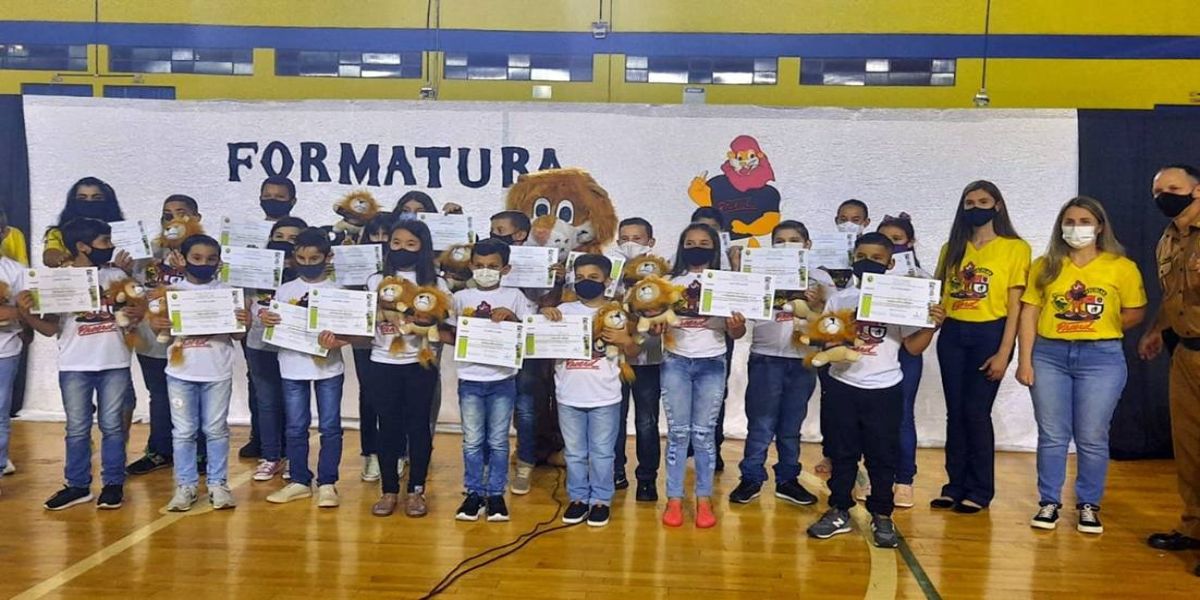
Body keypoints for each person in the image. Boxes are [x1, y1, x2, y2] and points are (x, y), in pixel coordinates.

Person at [1015, 197, 1145, 534]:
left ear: (1100, 226)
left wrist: (1097, 327)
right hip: (1049, 355)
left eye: (1085, 221)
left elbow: (1134, 312)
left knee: (1091, 435)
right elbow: (1029, 312)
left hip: (1101, 358)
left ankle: (1088, 503)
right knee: (1053, 434)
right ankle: (1049, 501)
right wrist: (1024, 360)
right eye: (1069, 221)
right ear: (1060, 226)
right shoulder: (1045, 265)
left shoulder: (1121, 267)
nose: (1076, 228)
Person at [806, 232, 945, 548]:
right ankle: (839, 509)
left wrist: (930, 325)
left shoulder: (902, 298)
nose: (868, 263)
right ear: (853, 260)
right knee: (842, 453)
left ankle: (882, 515)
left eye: (877, 258)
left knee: (882, 456)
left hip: (885, 389)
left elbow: (912, 348)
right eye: (861, 257)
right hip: (843, 386)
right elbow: (826, 337)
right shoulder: (841, 299)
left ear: (891, 263)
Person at [20, 218, 135, 510]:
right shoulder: (58, 279)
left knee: (112, 426)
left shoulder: (116, 275)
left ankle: (113, 484)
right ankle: (77, 485)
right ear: (83, 246)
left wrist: (133, 302)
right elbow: (49, 328)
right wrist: (26, 313)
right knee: (77, 428)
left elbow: (135, 316)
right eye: (104, 242)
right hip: (74, 364)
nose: (110, 247)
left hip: (114, 362)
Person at [932, 181, 1030, 513]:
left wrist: (1005, 352)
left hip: (991, 332)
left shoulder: (1016, 248)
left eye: (983, 201)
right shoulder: (952, 247)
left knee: (976, 412)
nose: (976, 207)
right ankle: (953, 484)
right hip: (953, 334)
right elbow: (940, 293)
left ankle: (980, 488)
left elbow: (1016, 305)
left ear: (998, 206)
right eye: (969, 202)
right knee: (955, 413)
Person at [729, 220, 827, 508]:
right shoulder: (759, 273)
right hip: (765, 357)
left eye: (794, 239)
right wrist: (738, 270)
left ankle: (787, 479)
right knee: (760, 423)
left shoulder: (821, 278)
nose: (787, 245)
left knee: (791, 425)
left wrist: (819, 305)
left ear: (807, 245)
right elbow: (740, 308)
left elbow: (833, 324)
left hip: (803, 360)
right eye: (780, 240)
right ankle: (751, 477)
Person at [151, 235, 248, 511]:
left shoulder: (228, 291)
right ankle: (186, 485)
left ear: (219, 261)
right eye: (196, 258)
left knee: (216, 430)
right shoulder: (170, 293)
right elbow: (159, 331)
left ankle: (218, 484)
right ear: (183, 258)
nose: (204, 264)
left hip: (217, 372)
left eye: (210, 259)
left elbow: (238, 335)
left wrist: (243, 322)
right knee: (183, 431)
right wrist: (157, 323)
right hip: (180, 373)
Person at [660, 223, 747, 528]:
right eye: (691, 242)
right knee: (678, 433)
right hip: (675, 362)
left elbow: (737, 330)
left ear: (714, 247)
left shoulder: (727, 282)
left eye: (704, 242)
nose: (697, 247)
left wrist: (736, 324)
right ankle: (673, 497)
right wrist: (657, 323)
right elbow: (654, 316)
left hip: (712, 361)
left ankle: (704, 498)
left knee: (704, 434)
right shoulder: (668, 282)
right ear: (682, 246)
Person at [543, 254, 640, 527]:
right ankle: (577, 498)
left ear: (607, 281)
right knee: (574, 452)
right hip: (568, 395)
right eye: (581, 277)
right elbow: (541, 341)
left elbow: (634, 352)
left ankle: (600, 500)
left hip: (605, 396)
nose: (586, 282)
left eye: (594, 278)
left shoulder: (616, 312)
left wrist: (625, 340)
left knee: (602, 452)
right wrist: (545, 316)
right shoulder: (563, 311)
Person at [263, 228, 355, 508]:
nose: (307, 262)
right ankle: (300, 481)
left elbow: (352, 331)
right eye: (301, 257)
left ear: (328, 257)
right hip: (291, 365)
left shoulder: (338, 290)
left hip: (328, 368)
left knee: (330, 427)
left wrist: (341, 340)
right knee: (294, 427)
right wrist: (268, 320)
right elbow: (274, 324)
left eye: (314, 257)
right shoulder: (285, 290)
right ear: (293, 258)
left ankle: (328, 483)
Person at [1139, 164, 1200, 566]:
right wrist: (1156, 330)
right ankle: (1193, 526)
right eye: (1158, 191)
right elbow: (1173, 295)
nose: (1164, 197)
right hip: (1187, 352)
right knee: (1189, 447)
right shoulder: (1168, 239)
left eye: (1174, 189)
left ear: (1197, 191)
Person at [367, 219, 449, 518]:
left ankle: (416, 490)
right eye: (397, 243)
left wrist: (418, 320)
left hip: (420, 364)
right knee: (387, 426)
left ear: (423, 247)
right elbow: (369, 316)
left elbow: (439, 321)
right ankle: (388, 490)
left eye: (411, 244)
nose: (402, 249)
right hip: (382, 361)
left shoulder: (436, 282)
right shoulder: (375, 279)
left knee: (418, 427)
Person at [450, 239, 532, 522]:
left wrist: (511, 319)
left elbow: (528, 334)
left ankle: (496, 494)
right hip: (470, 378)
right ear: (471, 266)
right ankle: (474, 493)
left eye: (493, 266)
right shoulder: (460, 298)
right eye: (480, 266)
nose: (485, 271)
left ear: (505, 268)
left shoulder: (515, 296)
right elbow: (450, 333)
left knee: (498, 441)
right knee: (472, 441)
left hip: (503, 379)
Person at [126, 195, 205, 476]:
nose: (173, 219)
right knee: (159, 395)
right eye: (166, 214)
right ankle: (159, 451)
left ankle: (200, 452)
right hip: (152, 338)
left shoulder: (205, 251)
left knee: (196, 395)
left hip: (193, 340)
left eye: (181, 212)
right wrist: (124, 274)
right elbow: (132, 290)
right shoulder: (146, 253)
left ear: (196, 217)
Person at [876, 213, 933, 508]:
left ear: (910, 243)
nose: (892, 246)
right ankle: (872, 477)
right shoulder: (866, 276)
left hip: (906, 352)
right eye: (886, 241)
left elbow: (918, 342)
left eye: (897, 240)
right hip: (873, 350)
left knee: (901, 415)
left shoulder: (922, 280)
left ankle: (904, 480)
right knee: (868, 417)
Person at [245, 217, 306, 481]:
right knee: (267, 403)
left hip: (296, 348)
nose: (284, 243)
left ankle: (295, 457)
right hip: (260, 345)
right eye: (278, 237)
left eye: (293, 239)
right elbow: (246, 303)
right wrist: (257, 314)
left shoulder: (309, 277)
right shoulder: (255, 272)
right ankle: (271, 456)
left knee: (295, 405)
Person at [614, 217, 664, 501]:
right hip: (615, 359)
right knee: (614, 419)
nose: (630, 243)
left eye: (638, 238)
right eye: (625, 238)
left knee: (647, 421)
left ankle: (647, 479)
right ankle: (615, 471)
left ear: (651, 242)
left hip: (650, 360)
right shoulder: (612, 274)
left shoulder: (662, 277)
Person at [352, 213, 394, 483]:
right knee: (369, 395)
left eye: (385, 235)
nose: (379, 240)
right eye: (374, 234)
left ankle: (397, 452)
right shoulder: (354, 260)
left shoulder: (404, 268)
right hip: (363, 338)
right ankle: (371, 453)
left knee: (398, 398)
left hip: (395, 339)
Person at [42, 177, 131, 270]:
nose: (89, 202)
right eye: (82, 198)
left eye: (97, 198)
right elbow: (50, 257)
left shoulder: (123, 231)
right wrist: (58, 257)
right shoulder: (57, 233)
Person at [0, 241, 25, 496]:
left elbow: (26, 309)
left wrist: (12, 312)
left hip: (5, 350)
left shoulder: (15, 271)